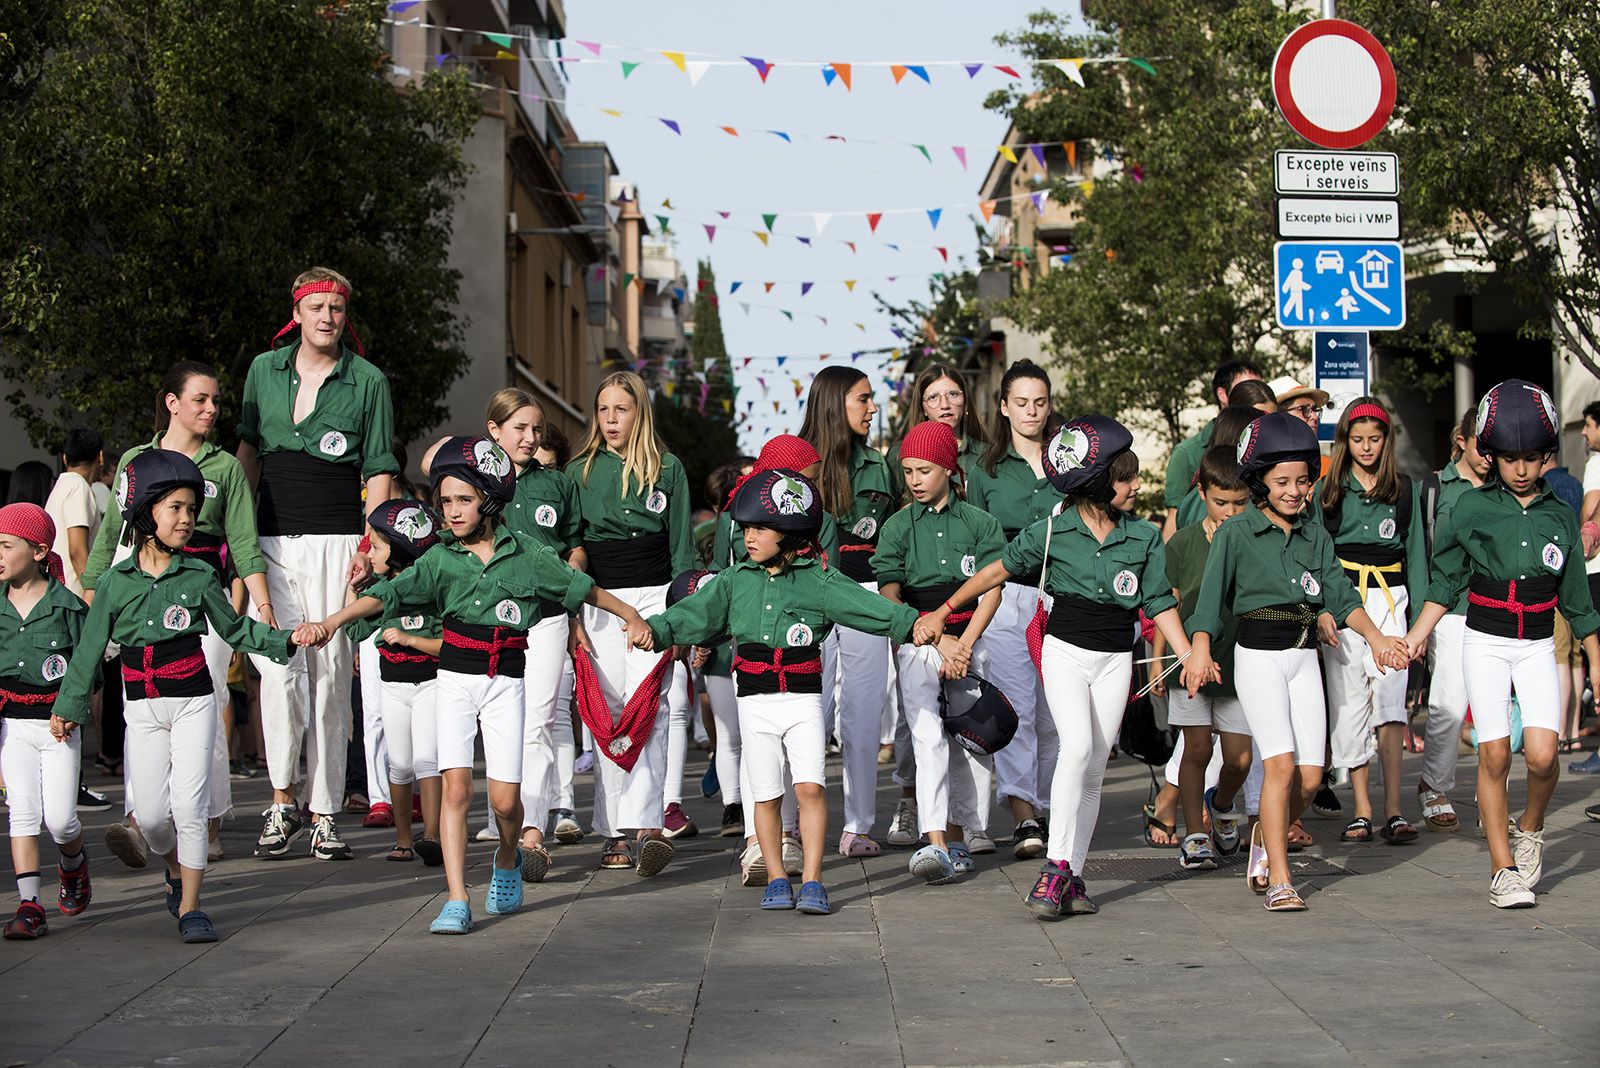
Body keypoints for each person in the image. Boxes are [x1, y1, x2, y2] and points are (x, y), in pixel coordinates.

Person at [313, 436, 640, 933]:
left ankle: (507, 856)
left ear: (489, 500)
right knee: (457, 790)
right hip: (454, 682)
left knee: (507, 803)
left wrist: (631, 613)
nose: (452, 511)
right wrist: (332, 622)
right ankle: (457, 897)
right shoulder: (440, 559)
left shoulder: (526, 552)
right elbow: (386, 597)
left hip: (507, 682)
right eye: (445, 501)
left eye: (463, 500)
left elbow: (583, 588)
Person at [917, 417, 1201, 918]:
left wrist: (1187, 653)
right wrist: (943, 612)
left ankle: (1072, 874)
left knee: (1092, 769)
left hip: (1115, 658)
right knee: (1079, 748)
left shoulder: (1144, 537)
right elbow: (994, 571)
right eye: (1126, 477)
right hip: (1064, 651)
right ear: (1098, 482)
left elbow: (1157, 600)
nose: (1136, 486)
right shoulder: (1052, 529)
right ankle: (1054, 869)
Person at [633, 467, 924, 916]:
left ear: (788, 531)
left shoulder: (819, 580)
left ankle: (811, 880)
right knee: (765, 794)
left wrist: (917, 624)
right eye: (745, 527)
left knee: (809, 788)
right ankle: (774, 876)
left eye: (759, 528)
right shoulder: (733, 581)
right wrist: (654, 629)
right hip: (754, 702)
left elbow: (870, 609)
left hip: (804, 701)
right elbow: (694, 613)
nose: (748, 536)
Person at [55, 451, 310, 943]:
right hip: (142, 708)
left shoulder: (199, 575)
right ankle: (173, 867)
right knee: (151, 816)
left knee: (190, 808)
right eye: (175, 508)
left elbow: (236, 631)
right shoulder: (113, 583)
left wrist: (286, 640)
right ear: (145, 513)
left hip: (194, 702)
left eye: (192, 509)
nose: (187, 519)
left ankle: (192, 905)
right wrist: (68, 707)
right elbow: (88, 653)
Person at [1183, 413, 1408, 913]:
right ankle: (1280, 878)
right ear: (1260, 480)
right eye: (1282, 481)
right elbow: (1208, 604)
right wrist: (1199, 648)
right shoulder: (1236, 534)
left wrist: (1376, 640)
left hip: (1304, 656)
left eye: (1303, 480)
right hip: (1258, 658)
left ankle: (1267, 832)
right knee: (1279, 767)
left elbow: (1342, 595)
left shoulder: (1315, 534)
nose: (1294, 490)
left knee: (1311, 777)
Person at [1403, 380, 1600, 909]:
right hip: (1483, 639)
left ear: (1547, 457)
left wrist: (1597, 666)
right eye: (1509, 457)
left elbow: (1578, 603)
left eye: (1531, 458)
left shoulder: (1561, 514)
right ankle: (1502, 868)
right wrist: (1415, 638)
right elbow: (1445, 580)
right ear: (1490, 455)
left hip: (1537, 642)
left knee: (1541, 755)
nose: (1519, 468)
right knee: (1493, 753)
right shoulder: (1467, 507)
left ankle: (1530, 825)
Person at [236, 267, 400, 862]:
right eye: (317, 307)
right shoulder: (263, 369)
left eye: (336, 307)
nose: (327, 317)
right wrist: (240, 536)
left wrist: (370, 545)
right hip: (273, 538)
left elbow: (379, 468)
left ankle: (325, 809)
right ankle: (282, 799)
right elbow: (247, 456)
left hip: (338, 538)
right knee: (279, 670)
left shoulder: (368, 380)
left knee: (331, 672)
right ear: (298, 311)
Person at [84, 363, 273, 868]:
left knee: (204, 707)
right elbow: (111, 536)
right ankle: (140, 819)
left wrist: (262, 607)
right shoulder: (134, 458)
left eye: (216, 401)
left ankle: (205, 822)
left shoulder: (226, 466)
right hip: (138, 591)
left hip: (202, 596)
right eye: (201, 400)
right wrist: (91, 590)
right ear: (172, 402)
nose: (212, 409)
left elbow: (244, 544)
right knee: (138, 704)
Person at [423, 389, 582, 883]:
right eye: (519, 428)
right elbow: (433, 459)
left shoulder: (555, 482)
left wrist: (568, 591)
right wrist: (475, 450)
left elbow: (576, 551)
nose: (531, 438)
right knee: (481, 745)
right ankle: (507, 818)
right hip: (482, 632)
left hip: (547, 613)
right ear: (494, 431)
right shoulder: (474, 475)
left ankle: (530, 826)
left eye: (537, 430)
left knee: (538, 717)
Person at [565, 371, 697, 874]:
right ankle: (614, 829)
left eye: (621, 409)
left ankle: (647, 826)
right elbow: (573, 547)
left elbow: (683, 550)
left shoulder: (669, 469)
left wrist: (681, 621)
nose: (611, 419)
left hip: (657, 595)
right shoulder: (579, 470)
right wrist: (575, 609)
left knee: (653, 710)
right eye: (603, 410)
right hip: (601, 598)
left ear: (639, 411)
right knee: (609, 715)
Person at [874, 421, 1003, 883]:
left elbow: (991, 589)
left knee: (970, 742)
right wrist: (936, 638)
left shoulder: (980, 523)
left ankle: (966, 830)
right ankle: (935, 841)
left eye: (924, 469)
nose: (914, 479)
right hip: (917, 643)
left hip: (970, 644)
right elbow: (890, 593)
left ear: (948, 468)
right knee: (927, 736)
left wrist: (964, 644)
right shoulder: (896, 527)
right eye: (907, 470)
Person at [710, 436, 837, 885]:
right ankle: (755, 844)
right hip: (744, 648)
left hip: (798, 651)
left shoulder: (813, 521)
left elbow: (828, 582)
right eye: (804, 479)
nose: (809, 489)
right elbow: (719, 578)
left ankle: (792, 842)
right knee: (753, 753)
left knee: (802, 769)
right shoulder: (737, 519)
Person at [962, 360, 1063, 861]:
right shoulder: (985, 468)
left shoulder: (1070, 462)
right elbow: (979, 542)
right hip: (1006, 596)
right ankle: (1024, 812)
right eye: (1021, 402)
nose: (1031, 411)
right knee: (1017, 705)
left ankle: (1052, 806)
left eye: (1039, 402)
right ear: (1003, 407)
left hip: (1064, 594)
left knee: (1058, 711)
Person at [1314, 398, 1426, 846]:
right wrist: (1321, 608)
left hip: (1389, 598)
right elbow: (1316, 557)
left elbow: (1416, 554)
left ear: (1386, 441)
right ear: (1345, 441)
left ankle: (1394, 810)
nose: (1365, 447)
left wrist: (1418, 624)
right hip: (1343, 603)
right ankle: (1361, 809)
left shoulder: (1403, 490)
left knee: (1391, 702)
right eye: (1357, 439)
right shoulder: (1328, 490)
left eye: (1374, 439)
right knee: (1348, 702)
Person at [799, 366, 900, 856]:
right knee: (805, 713)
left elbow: (892, 535)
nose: (872, 408)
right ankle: (793, 826)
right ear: (837, 402)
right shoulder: (795, 462)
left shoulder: (881, 466)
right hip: (806, 596)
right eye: (864, 399)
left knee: (863, 715)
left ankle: (857, 825)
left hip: (864, 595)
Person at [1159, 447, 1254, 871]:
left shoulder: (1256, 539)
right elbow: (1168, 604)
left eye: (1241, 503)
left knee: (1239, 758)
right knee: (1196, 748)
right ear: (1201, 493)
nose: (1231, 511)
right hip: (1190, 665)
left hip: (1242, 663)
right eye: (1221, 502)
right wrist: (1164, 660)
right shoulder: (1182, 542)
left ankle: (1223, 804)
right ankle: (1195, 835)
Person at [0, 505, 90, 940]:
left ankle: (73, 864)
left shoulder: (67, 607)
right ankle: (29, 905)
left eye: (5, 545)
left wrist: (71, 710)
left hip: (57, 728)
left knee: (60, 820)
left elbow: (86, 667)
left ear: (38, 551)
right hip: (11, 727)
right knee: (22, 812)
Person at [344, 499, 444, 865]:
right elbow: (355, 629)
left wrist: (411, 640)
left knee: (427, 760)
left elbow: (448, 644)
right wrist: (357, 590)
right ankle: (404, 840)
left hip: (430, 684)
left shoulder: (433, 587)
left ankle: (432, 836)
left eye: (378, 546)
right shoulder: (382, 588)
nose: (369, 553)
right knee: (399, 764)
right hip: (393, 686)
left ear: (403, 548)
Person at [1414, 409, 1489, 827]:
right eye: (1481, 445)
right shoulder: (1436, 487)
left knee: (1492, 705)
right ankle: (1433, 784)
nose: (1488, 456)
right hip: (1449, 609)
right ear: (1461, 440)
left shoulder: (1503, 486)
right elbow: (1423, 554)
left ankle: (1490, 795)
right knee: (1448, 703)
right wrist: (1421, 622)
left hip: (1495, 605)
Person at [1161, 360, 1264, 539]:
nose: (1255, 393)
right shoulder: (1187, 453)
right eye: (1246, 387)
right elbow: (1175, 520)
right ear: (1223, 395)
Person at [45, 427, 104, 598]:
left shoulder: (61, 485)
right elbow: (77, 550)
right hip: (75, 594)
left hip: (58, 590)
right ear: (100, 456)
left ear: (64, 457)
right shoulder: (78, 486)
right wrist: (92, 593)